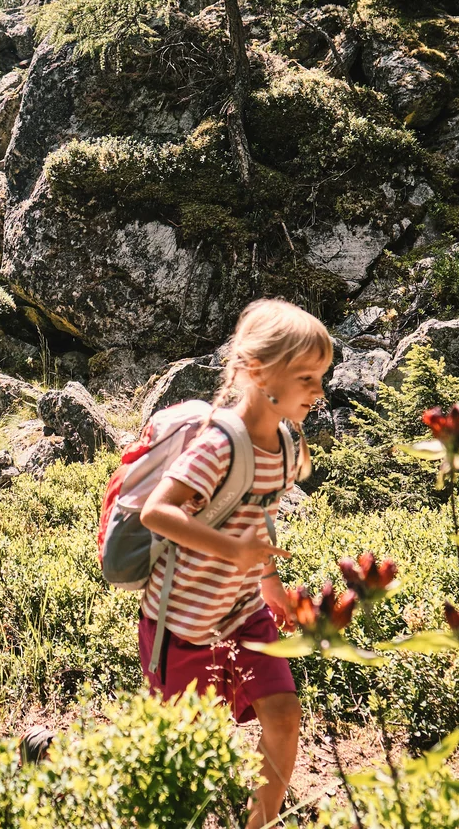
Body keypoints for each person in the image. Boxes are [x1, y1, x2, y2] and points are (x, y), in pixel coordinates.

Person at [137, 298, 332, 829]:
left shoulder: (290, 445)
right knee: (186, 752)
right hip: (181, 623)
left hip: (243, 610)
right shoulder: (219, 442)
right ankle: (68, 762)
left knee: (284, 715)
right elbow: (158, 512)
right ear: (257, 371)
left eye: (322, 377)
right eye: (307, 377)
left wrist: (268, 583)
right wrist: (236, 555)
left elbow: (255, 519)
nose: (318, 391)